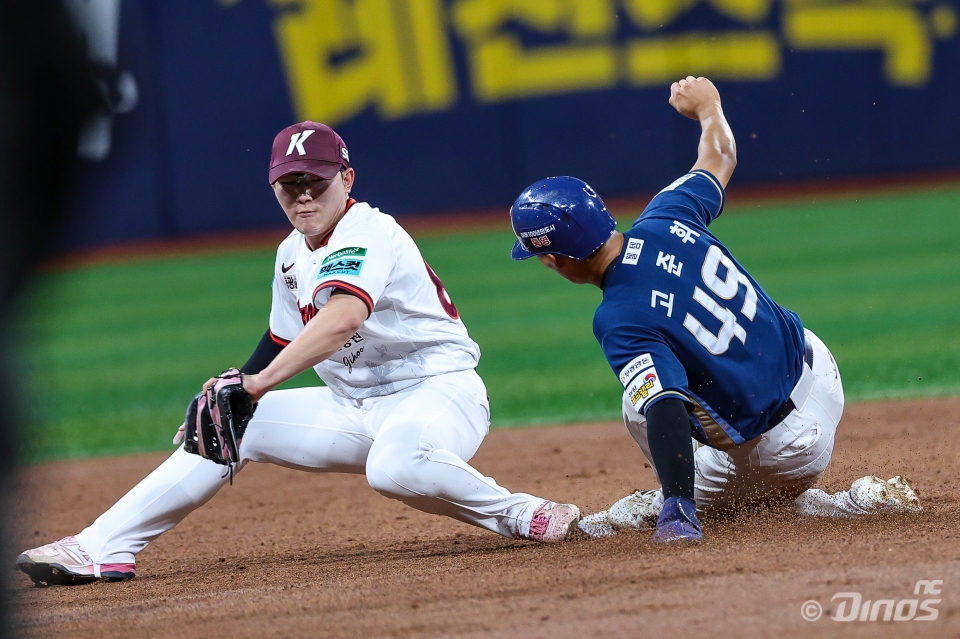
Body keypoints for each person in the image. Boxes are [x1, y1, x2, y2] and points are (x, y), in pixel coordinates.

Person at [17, 121, 581, 586]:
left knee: (394, 466)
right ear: (274, 187)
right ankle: (99, 547)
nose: (304, 194)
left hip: (438, 393)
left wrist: (258, 385)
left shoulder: (367, 231)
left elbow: (342, 319)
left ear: (347, 179)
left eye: (317, 181)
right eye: (291, 184)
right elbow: (283, 338)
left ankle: (518, 513)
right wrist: (237, 383)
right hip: (352, 407)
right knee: (225, 419)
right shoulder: (292, 252)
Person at [507, 76, 920, 544]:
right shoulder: (667, 214)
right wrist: (709, 108)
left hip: (792, 450)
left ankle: (833, 504)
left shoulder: (618, 316)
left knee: (640, 403)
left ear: (552, 259)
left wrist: (679, 508)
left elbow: (663, 406)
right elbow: (719, 156)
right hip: (821, 372)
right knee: (677, 377)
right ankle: (757, 487)